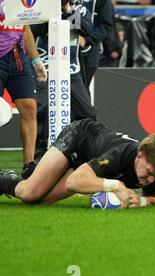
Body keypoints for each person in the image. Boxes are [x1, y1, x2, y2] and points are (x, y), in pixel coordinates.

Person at [0, 118, 155, 209]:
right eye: (148, 172)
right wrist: (115, 185)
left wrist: (140, 201)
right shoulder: (119, 156)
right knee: (29, 192)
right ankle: (7, 177)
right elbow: (73, 181)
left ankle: (36, 172)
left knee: (37, 202)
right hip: (77, 138)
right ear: (140, 156)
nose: (150, 179)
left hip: (86, 165)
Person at [30, 0, 98, 165]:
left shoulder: (80, 10)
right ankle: (39, 156)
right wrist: (53, 13)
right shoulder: (44, 8)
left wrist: (67, 11)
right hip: (46, 68)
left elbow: (87, 30)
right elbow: (34, 30)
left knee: (87, 112)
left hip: (71, 70)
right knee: (43, 109)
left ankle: (86, 151)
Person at [0, 0, 47, 173]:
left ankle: (29, 166)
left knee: (29, 108)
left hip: (18, 57)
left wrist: (36, 61)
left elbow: (25, 28)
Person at [79, 0, 114, 93]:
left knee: (82, 89)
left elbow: (105, 26)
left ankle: (85, 107)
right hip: (66, 49)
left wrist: (86, 40)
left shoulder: (103, 2)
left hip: (89, 52)